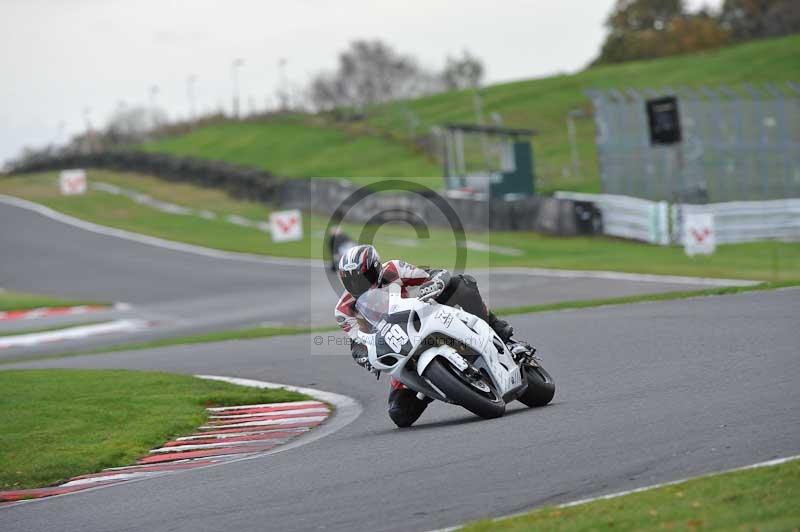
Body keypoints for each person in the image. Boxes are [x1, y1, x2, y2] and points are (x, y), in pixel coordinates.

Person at [333, 244, 532, 428]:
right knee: (399, 414)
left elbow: (435, 274)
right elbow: (357, 342)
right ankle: (434, 384)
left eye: (363, 277)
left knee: (460, 284)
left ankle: (503, 335)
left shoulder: (393, 269)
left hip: (421, 317)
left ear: (376, 268)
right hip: (398, 346)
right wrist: (364, 357)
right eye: (351, 281)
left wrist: (434, 283)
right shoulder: (344, 310)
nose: (358, 284)